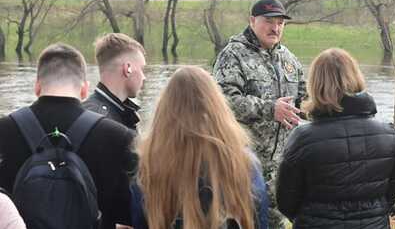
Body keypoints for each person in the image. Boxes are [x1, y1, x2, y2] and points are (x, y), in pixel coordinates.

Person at [0, 43, 136, 229]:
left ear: (37, 87)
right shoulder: (120, 137)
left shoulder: (4, 130)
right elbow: (130, 212)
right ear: (84, 90)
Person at [276, 48, 395, 228]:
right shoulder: (388, 134)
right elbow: (392, 193)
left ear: (316, 84)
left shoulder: (303, 139)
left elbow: (286, 201)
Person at [131, 66, 268, 229]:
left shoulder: (149, 164)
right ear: (217, 108)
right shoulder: (243, 162)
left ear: (165, 110)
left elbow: (139, 220)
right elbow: (259, 219)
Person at [213, 0, 305, 228]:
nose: (275, 28)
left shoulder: (289, 59)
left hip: (282, 170)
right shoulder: (233, 55)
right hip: (243, 167)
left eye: (280, 23)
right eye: (269, 21)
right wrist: (269, 109)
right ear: (252, 20)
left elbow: (304, 101)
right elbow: (223, 103)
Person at [83, 33, 146, 131]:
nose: (143, 77)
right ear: (127, 69)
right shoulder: (104, 124)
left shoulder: (86, 112)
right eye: (141, 69)